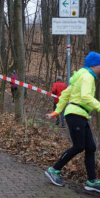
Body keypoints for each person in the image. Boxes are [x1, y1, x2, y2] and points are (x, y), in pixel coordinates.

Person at [45, 51, 100, 193]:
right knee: (79, 146)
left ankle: (91, 181)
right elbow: (86, 97)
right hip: (76, 113)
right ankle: (53, 169)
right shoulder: (87, 77)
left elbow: (65, 95)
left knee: (91, 147)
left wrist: (56, 112)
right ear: (95, 65)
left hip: (80, 114)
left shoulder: (79, 77)